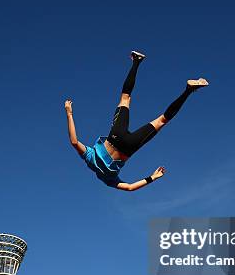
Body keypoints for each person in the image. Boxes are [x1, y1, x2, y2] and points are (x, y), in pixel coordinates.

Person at [65, 50, 208, 191]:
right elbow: (74, 142)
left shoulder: (108, 180)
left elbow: (129, 188)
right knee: (125, 98)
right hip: (115, 137)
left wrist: (152, 177)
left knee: (162, 121)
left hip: (128, 148)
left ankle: (189, 90)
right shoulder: (89, 159)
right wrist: (69, 114)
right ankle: (137, 61)